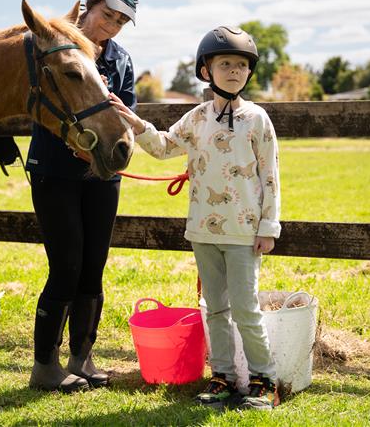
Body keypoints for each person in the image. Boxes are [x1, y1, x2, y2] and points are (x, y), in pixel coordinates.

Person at [110, 26, 281, 410]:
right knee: (215, 308)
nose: (234, 71)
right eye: (225, 64)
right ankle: (222, 376)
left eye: (240, 65)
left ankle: (263, 378)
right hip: (203, 229)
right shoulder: (196, 118)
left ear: (249, 72)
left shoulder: (257, 120)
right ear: (207, 70)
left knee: (245, 307)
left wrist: (269, 227)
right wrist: (135, 124)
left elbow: (270, 175)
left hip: (243, 231)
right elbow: (164, 146)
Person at [27, 0, 138, 392]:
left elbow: (126, 113)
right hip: (55, 170)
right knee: (66, 265)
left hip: (102, 173)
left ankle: (82, 356)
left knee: (93, 266)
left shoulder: (122, 61)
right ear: (89, 7)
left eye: (120, 22)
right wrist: (74, 140)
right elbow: (45, 104)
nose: (110, 26)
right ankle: (45, 365)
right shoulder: (55, 45)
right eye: (107, 15)